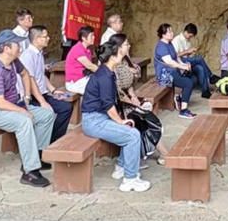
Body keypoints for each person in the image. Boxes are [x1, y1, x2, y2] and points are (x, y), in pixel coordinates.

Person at [0, 29, 55, 188]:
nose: (20, 47)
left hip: (11, 106)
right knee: (24, 121)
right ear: (7, 48)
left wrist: (26, 97)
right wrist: (23, 110)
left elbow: (25, 74)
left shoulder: (13, 61)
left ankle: (35, 157)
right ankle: (30, 172)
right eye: (17, 45)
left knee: (47, 114)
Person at [81, 38, 152, 192]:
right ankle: (130, 179)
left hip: (99, 117)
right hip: (94, 121)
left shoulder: (108, 72)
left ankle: (121, 166)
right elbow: (108, 105)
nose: (122, 55)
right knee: (132, 135)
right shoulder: (105, 76)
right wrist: (120, 121)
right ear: (112, 57)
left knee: (134, 126)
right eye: (119, 53)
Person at [110, 33, 169, 164]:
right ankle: (163, 153)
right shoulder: (112, 64)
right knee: (144, 121)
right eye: (126, 44)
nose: (129, 46)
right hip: (117, 105)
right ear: (119, 47)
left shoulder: (125, 60)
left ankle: (162, 153)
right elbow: (117, 91)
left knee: (147, 118)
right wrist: (132, 103)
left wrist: (133, 97)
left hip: (127, 100)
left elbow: (129, 85)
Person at [22, 25, 74, 142]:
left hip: (43, 94)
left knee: (66, 107)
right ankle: (44, 143)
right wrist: (42, 102)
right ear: (37, 39)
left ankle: (53, 140)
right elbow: (30, 80)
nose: (48, 38)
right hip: (33, 97)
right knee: (47, 112)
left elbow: (41, 75)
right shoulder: (28, 55)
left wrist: (53, 90)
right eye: (45, 37)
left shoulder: (39, 53)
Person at [154, 24, 197, 120]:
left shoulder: (169, 44)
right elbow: (169, 62)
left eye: (172, 31)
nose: (172, 33)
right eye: (169, 31)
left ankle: (180, 97)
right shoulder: (161, 46)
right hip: (165, 74)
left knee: (193, 78)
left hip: (172, 71)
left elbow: (176, 57)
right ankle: (183, 110)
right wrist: (182, 67)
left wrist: (184, 64)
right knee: (188, 83)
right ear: (163, 35)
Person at [172, 23, 214, 98]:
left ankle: (205, 91)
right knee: (199, 58)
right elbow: (174, 56)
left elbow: (187, 56)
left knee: (200, 68)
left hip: (186, 63)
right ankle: (210, 76)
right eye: (190, 36)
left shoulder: (188, 41)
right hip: (179, 63)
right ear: (186, 32)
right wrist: (187, 51)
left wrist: (190, 53)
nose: (190, 38)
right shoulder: (176, 40)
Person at [65, 26, 98, 94]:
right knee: (100, 85)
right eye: (91, 36)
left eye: (93, 35)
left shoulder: (87, 49)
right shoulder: (78, 49)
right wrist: (105, 72)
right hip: (75, 83)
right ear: (83, 38)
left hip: (83, 79)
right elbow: (90, 66)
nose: (94, 37)